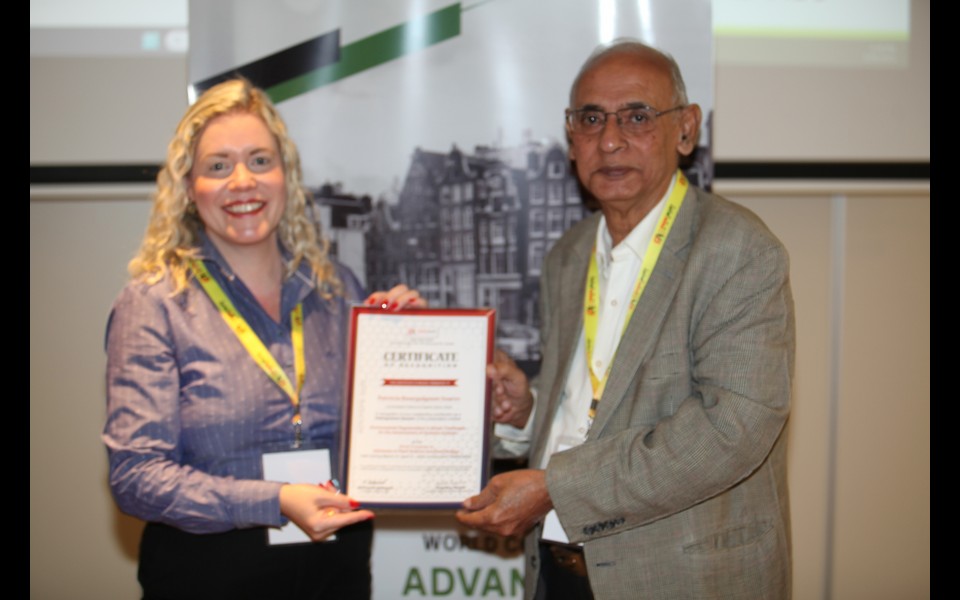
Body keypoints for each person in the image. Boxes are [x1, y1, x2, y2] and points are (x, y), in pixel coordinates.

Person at [456, 39, 795, 600]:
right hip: (555, 572)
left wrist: (555, 488)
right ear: (571, 138)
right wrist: (527, 410)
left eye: (637, 117)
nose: (609, 140)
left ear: (686, 129)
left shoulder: (739, 250)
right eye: (590, 119)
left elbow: (731, 429)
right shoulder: (567, 256)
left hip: (682, 578)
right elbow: (592, 412)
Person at [102, 78, 424, 600]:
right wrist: (274, 500)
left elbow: (382, 436)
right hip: (207, 577)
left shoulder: (338, 290)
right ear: (188, 188)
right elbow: (137, 477)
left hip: (335, 574)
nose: (242, 182)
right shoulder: (154, 305)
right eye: (218, 166)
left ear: (285, 175)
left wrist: (412, 346)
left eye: (259, 161)